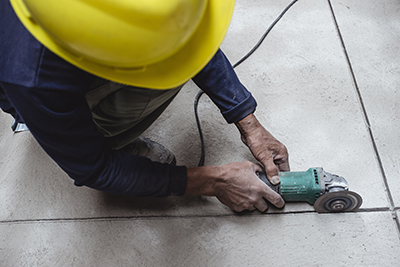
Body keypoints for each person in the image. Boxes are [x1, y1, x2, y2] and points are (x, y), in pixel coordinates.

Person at [0, 0, 290, 212]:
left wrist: (248, 122)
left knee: (174, 52)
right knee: (167, 72)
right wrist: (214, 181)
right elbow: (94, 169)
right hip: (37, 92)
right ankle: (113, 140)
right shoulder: (32, 76)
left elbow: (186, 31)